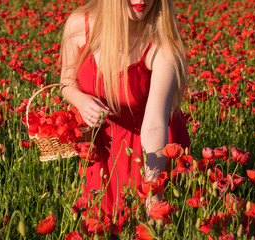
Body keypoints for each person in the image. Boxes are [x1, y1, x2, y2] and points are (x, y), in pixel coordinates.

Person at [60, 0, 190, 233]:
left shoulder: (162, 47)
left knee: (142, 227)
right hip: (102, 149)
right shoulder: (79, 25)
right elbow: (66, 81)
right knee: (99, 227)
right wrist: (81, 101)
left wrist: (153, 191)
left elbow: (154, 125)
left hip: (146, 152)